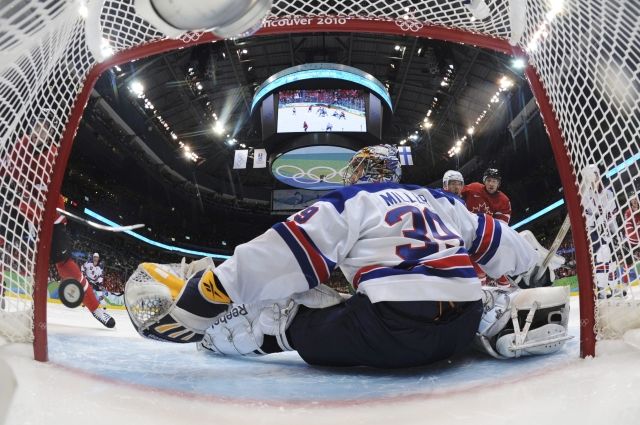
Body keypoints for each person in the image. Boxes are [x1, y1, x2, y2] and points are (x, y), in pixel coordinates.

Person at [124, 145, 570, 367]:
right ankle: (493, 315)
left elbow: (278, 254)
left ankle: (240, 334)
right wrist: (533, 263)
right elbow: (501, 245)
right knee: (448, 283)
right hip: (459, 329)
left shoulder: (348, 202)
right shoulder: (440, 200)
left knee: (293, 300)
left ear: (358, 173)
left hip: (389, 333)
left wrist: (207, 296)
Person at [0, 112, 115, 327]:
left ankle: (96, 308)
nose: (40, 131)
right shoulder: (19, 146)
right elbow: (5, 174)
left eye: (46, 128)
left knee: (64, 262)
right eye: (37, 126)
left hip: (50, 213)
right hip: (20, 208)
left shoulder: (54, 153)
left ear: (51, 133)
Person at [581, 165, 620, 298]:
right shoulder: (584, 196)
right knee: (603, 253)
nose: (595, 178)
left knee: (613, 262)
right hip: (594, 232)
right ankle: (602, 292)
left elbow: (612, 217)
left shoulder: (608, 194)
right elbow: (588, 220)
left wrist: (616, 234)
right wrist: (597, 220)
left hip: (608, 230)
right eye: (592, 175)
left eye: (597, 174)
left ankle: (614, 290)